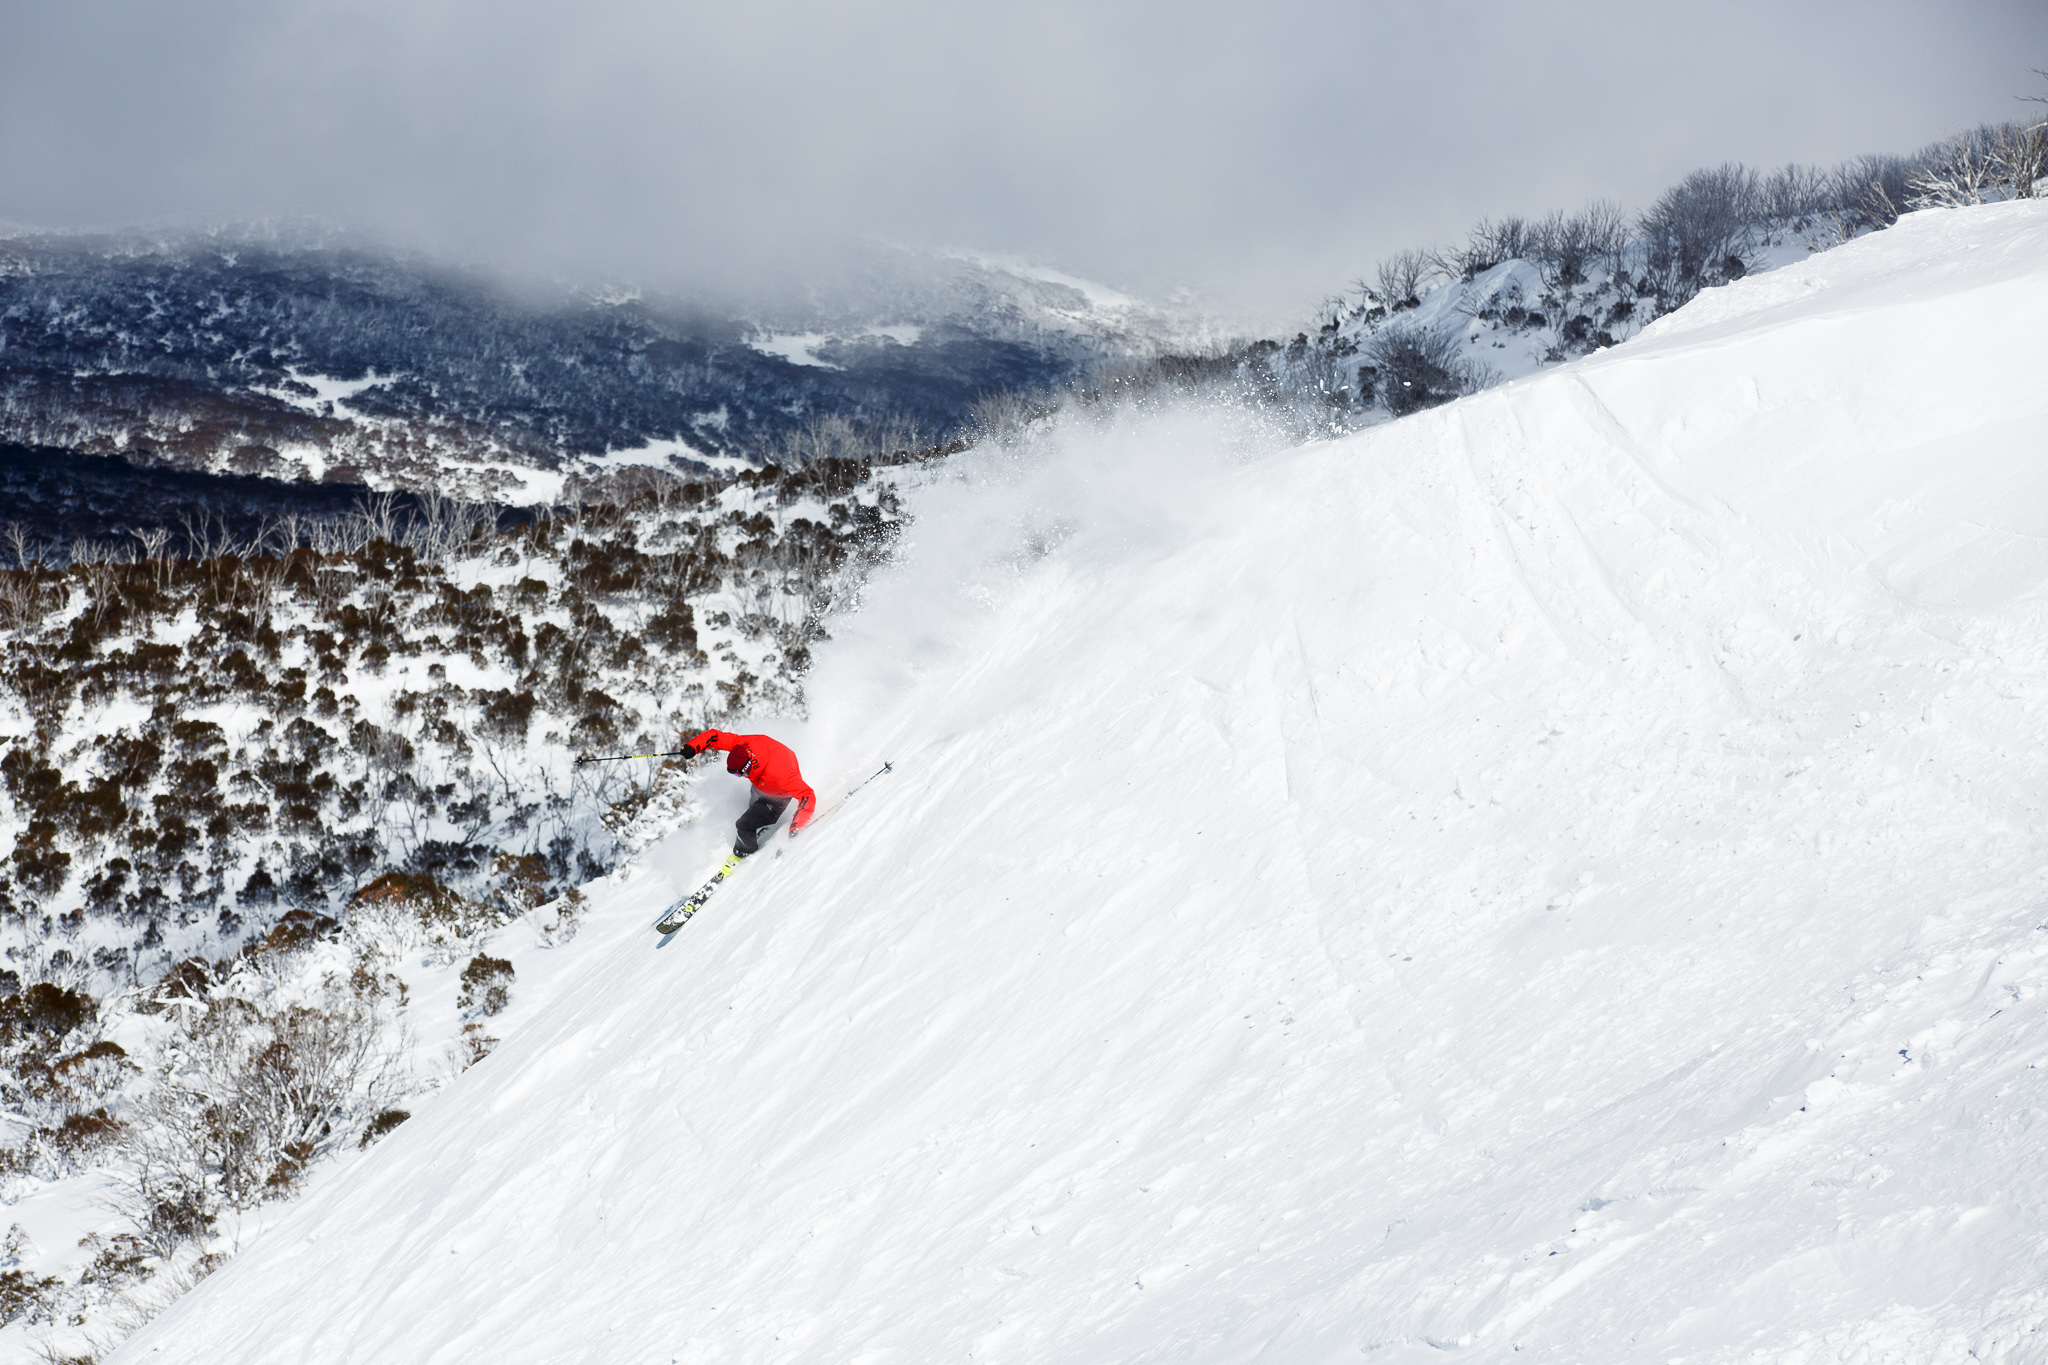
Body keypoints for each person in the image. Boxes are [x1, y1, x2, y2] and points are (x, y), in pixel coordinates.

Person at [680, 728, 816, 856]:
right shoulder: (743, 746)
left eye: (739, 774)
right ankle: (756, 822)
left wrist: (797, 826)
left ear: (747, 767)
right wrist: (692, 747)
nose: (739, 777)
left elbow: (807, 795)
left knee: (743, 825)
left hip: (778, 797)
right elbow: (716, 737)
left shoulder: (781, 776)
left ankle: (745, 852)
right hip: (763, 784)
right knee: (753, 805)